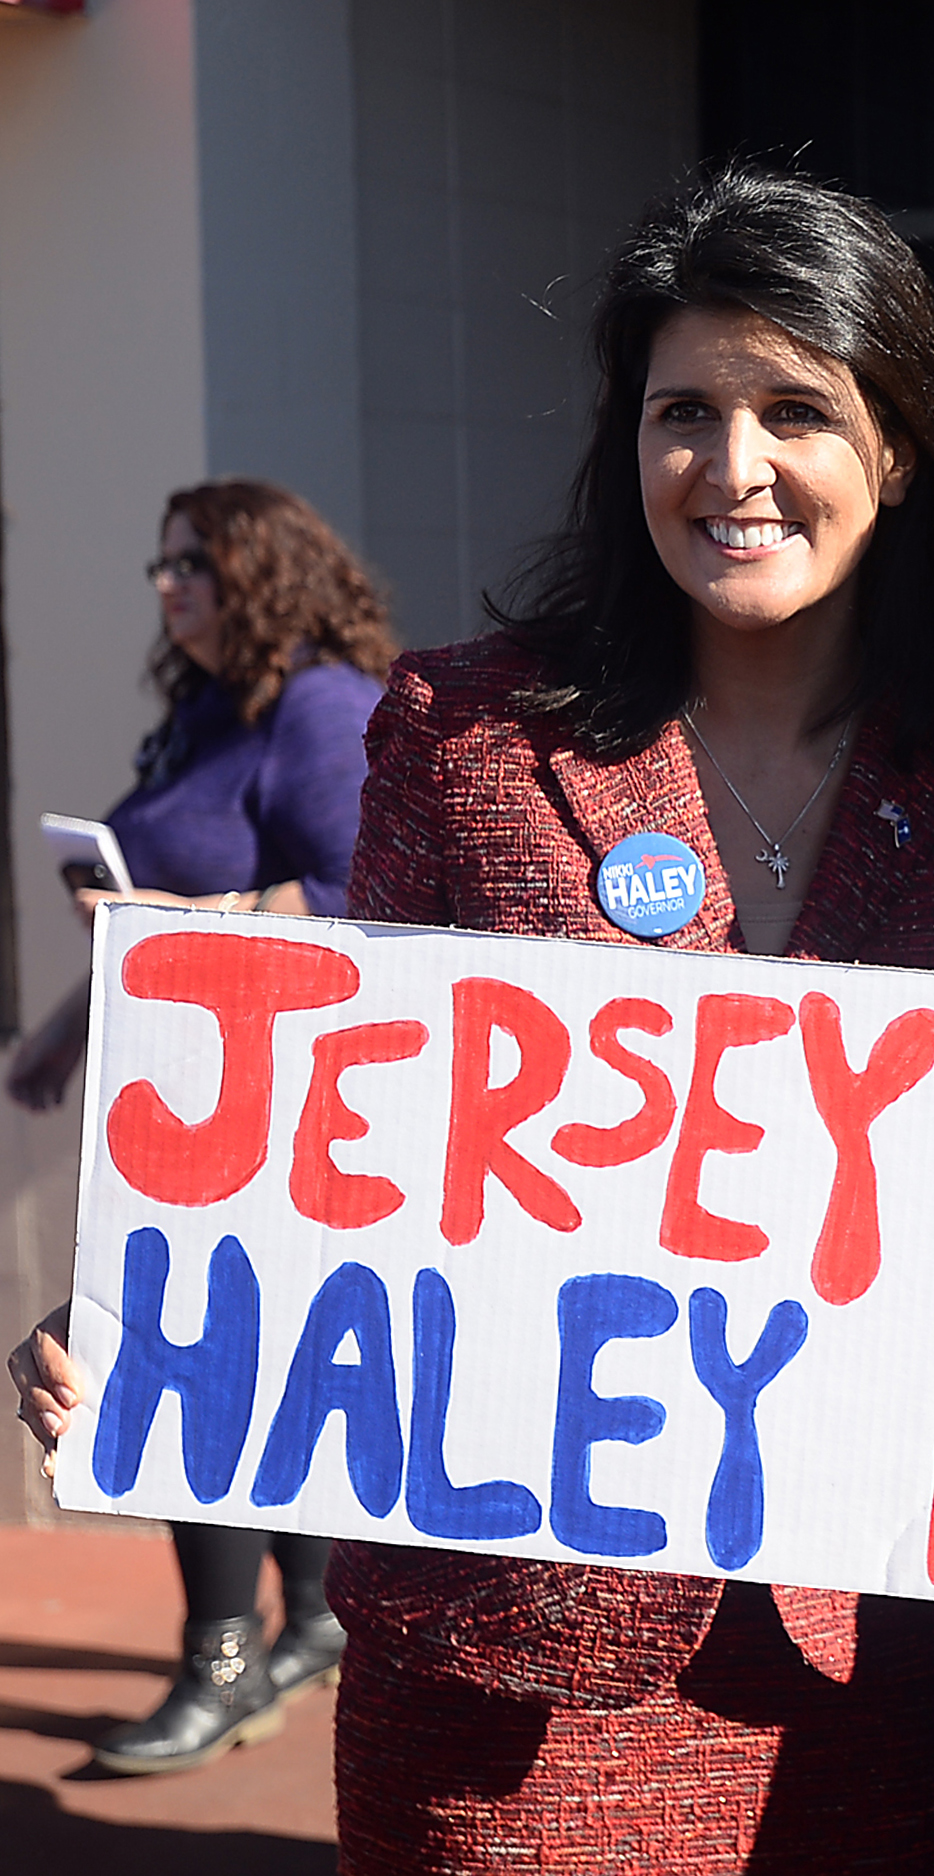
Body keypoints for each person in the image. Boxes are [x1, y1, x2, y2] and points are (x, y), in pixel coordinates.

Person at [315, 165, 934, 1872]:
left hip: (873, 1668)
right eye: (685, 413)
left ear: (904, 443)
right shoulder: (466, 733)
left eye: (797, 408)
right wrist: (162, 1256)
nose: (733, 470)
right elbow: (341, 1154)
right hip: (505, 1678)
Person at [7, 477, 395, 1773]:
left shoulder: (326, 706)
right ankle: (313, 1619)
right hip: (189, 1080)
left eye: (195, 565)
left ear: (268, 572)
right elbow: (161, 905)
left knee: (204, 1352)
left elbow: (370, 891)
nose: (168, 586)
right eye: (162, 566)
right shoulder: (204, 718)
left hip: (285, 1100)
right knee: (248, 1349)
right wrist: (68, 1025)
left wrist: (215, 921)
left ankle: (222, 1658)